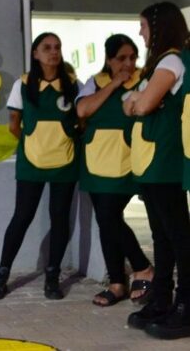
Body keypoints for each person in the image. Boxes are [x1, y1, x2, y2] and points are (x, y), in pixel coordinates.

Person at [0, 32, 79, 300]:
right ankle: (2, 274)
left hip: (65, 161)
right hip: (31, 161)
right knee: (22, 216)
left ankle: (52, 276)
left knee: (59, 218)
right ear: (35, 53)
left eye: (57, 47)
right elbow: (14, 125)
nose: (53, 52)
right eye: (47, 47)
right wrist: (33, 142)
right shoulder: (24, 84)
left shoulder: (73, 84)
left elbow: (82, 120)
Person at [124, 2, 190, 340]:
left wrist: (140, 99)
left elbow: (143, 104)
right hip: (150, 162)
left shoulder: (171, 61)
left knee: (178, 236)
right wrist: (137, 99)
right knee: (161, 236)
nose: (140, 33)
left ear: (158, 26)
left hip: (164, 160)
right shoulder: (158, 64)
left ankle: (186, 303)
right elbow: (129, 103)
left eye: (144, 26)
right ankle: (162, 298)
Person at [76, 34, 153, 307]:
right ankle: (117, 282)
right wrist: (114, 84)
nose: (128, 63)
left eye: (133, 57)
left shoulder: (144, 80)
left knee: (109, 216)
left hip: (127, 160)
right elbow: (83, 110)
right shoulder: (94, 82)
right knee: (105, 221)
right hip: (95, 161)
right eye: (121, 58)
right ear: (109, 60)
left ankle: (142, 267)